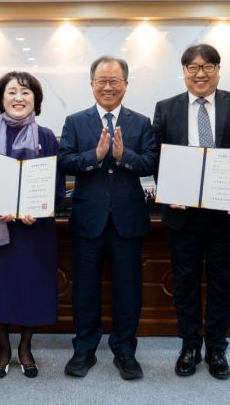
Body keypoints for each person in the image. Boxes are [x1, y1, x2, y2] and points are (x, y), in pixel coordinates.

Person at [152, 43, 230, 380]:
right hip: (182, 213)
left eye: (207, 67)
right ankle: (189, 345)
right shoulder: (166, 107)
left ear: (218, 70)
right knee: (184, 282)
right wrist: (168, 188)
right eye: (193, 67)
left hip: (226, 213)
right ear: (184, 71)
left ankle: (217, 347)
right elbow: (156, 155)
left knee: (222, 282)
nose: (200, 74)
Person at [59, 55, 157, 381]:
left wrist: (122, 155)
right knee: (85, 289)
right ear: (92, 85)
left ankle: (125, 351)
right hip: (88, 219)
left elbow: (151, 163)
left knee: (128, 290)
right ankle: (84, 350)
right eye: (102, 81)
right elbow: (65, 161)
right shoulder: (75, 121)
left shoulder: (141, 122)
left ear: (126, 84)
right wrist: (96, 156)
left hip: (128, 220)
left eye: (115, 81)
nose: (108, 86)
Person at [0, 71, 64, 379]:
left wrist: (38, 208)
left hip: (35, 230)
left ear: (35, 99)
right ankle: (3, 347)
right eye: (11, 92)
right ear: (1, 98)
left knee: (30, 286)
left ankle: (25, 347)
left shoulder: (46, 137)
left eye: (25, 92)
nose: (18, 98)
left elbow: (56, 184)